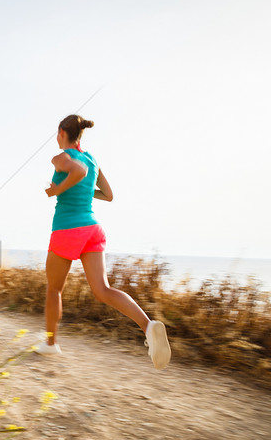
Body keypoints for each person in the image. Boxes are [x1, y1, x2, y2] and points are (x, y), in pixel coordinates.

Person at [35, 114, 171, 369]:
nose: (56, 138)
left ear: (63, 133)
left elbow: (78, 171)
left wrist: (56, 190)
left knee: (54, 289)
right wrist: (83, 190)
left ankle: (51, 344)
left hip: (67, 229)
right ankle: (148, 325)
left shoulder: (62, 157)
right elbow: (108, 195)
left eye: (57, 133)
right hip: (92, 229)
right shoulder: (92, 159)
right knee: (103, 290)